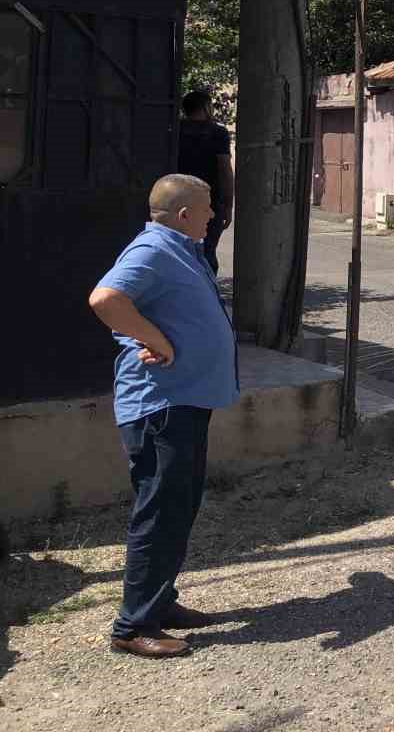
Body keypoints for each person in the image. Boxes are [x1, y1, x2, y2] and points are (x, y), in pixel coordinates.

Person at [89, 174, 240, 659]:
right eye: (208, 207)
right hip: (161, 407)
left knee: (178, 507)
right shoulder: (154, 249)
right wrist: (153, 340)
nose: (213, 214)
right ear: (183, 214)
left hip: (184, 400)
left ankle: (160, 602)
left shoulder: (179, 248)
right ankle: (133, 627)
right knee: (160, 511)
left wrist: (155, 335)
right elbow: (106, 299)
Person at [177, 90, 233, 274]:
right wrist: (228, 204)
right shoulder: (217, 132)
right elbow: (225, 169)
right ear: (205, 107)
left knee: (179, 253)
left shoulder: (175, 129)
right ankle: (206, 295)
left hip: (176, 199)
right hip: (209, 202)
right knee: (206, 253)